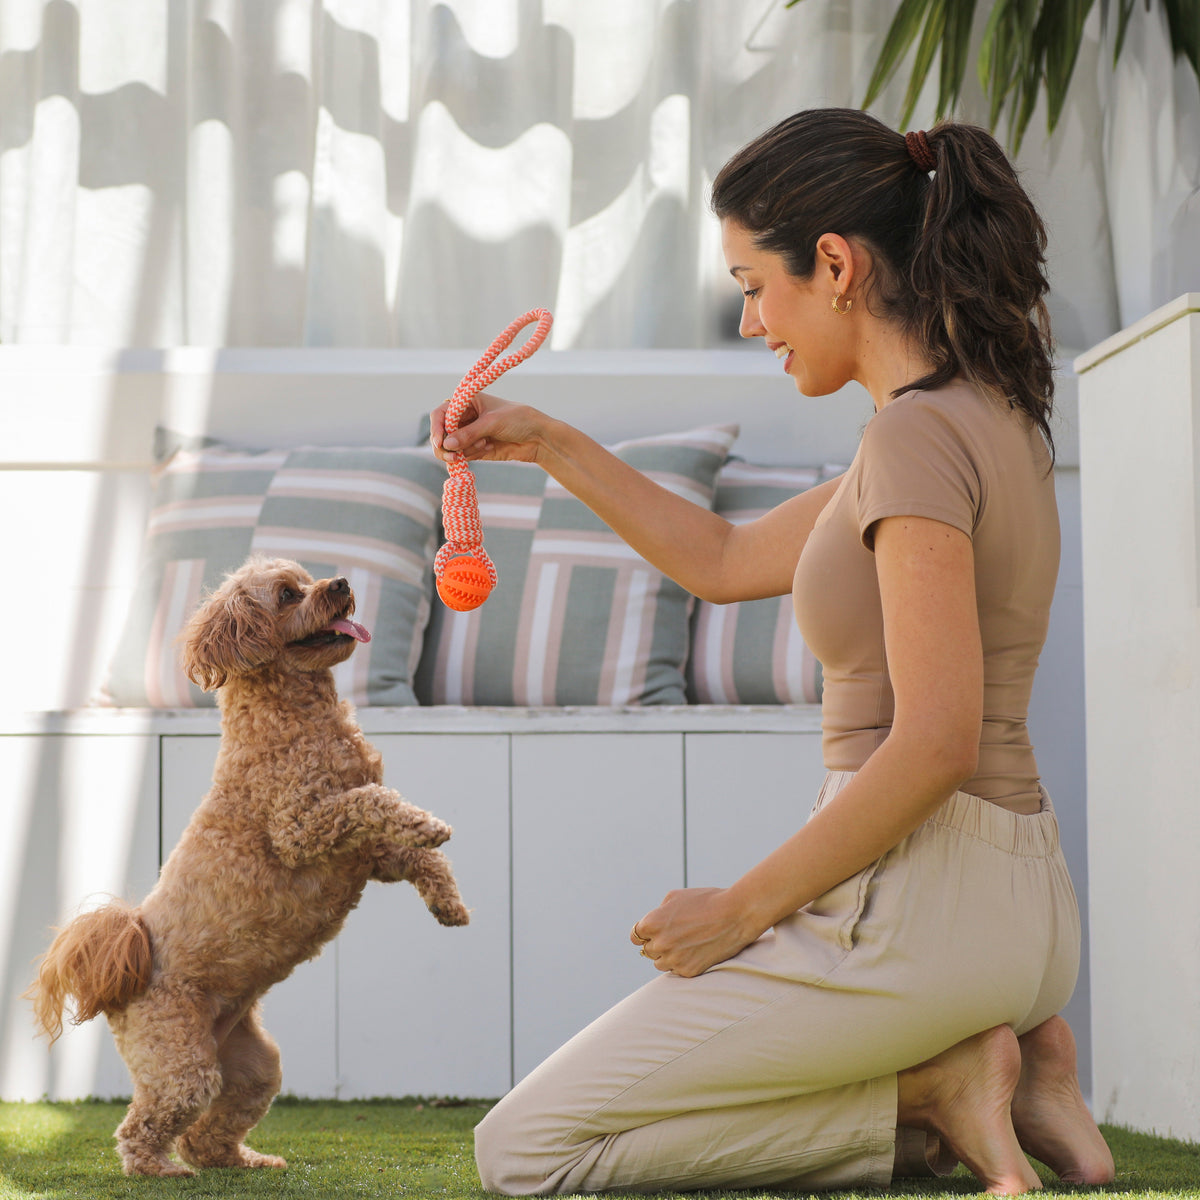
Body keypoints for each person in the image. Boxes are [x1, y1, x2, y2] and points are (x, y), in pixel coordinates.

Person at [430, 108, 1115, 1195]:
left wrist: (739, 910)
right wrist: (546, 440)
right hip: (1026, 915)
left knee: (524, 1152)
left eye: (755, 284)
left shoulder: (912, 439)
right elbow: (723, 554)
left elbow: (935, 741)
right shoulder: (980, 414)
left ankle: (934, 1091)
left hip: (920, 912)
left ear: (834, 265)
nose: (752, 321)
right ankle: (1023, 1069)